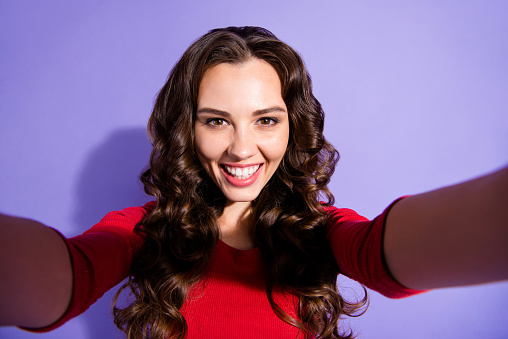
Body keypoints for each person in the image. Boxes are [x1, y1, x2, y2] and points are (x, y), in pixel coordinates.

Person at [0, 26, 507, 339]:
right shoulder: (142, 230)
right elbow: (65, 277)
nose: (242, 149)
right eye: (217, 120)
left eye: (265, 120)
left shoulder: (322, 230)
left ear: (294, 125)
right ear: (187, 128)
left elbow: (386, 254)